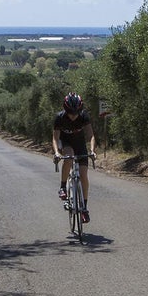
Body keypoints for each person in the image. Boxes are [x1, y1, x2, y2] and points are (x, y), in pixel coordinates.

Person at [52, 92, 96, 223]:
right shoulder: (59, 118)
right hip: (65, 143)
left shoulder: (83, 117)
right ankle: (63, 187)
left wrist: (92, 151)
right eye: (71, 113)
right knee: (69, 156)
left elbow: (91, 136)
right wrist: (56, 153)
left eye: (76, 112)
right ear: (66, 110)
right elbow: (55, 138)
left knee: (83, 175)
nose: (73, 115)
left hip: (80, 144)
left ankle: (84, 209)